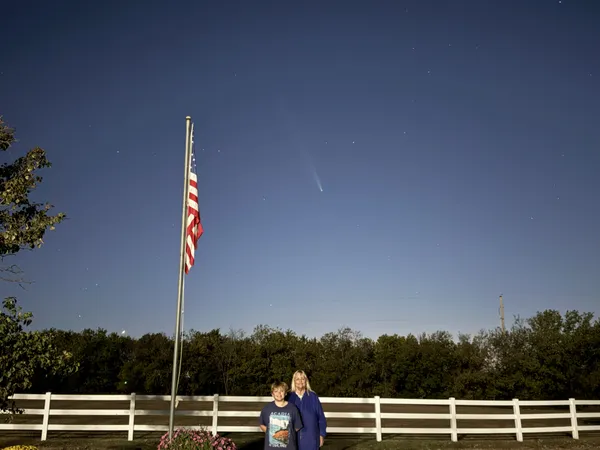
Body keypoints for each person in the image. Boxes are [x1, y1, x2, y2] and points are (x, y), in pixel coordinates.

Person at [287, 370, 327, 449]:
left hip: (311, 437)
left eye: (302, 378)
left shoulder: (313, 396)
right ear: (294, 381)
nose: (300, 381)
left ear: (306, 380)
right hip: (293, 438)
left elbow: (321, 417)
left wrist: (321, 434)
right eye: (297, 379)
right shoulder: (289, 397)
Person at [260, 381, 303, 449]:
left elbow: (297, 427)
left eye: (281, 391)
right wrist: (271, 432)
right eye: (276, 391)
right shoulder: (266, 409)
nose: (279, 393)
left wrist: (286, 433)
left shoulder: (293, 408)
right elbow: (262, 425)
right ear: (272, 394)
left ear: (285, 393)